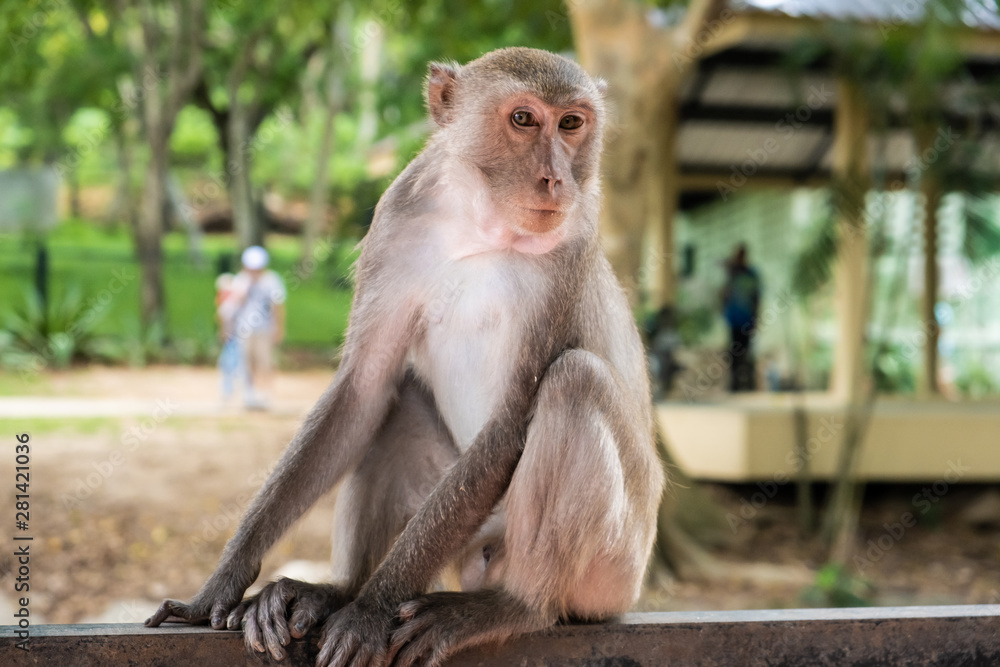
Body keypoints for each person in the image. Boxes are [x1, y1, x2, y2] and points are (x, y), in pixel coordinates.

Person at [229, 246, 286, 410]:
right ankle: (249, 394)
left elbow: (278, 306)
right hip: (244, 329)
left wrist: (278, 328)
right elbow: (233, 306)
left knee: (265, 361)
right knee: (247, 361)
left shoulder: (272, 281)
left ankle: (266, 394)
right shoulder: (241, 280)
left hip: (264, 329)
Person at [721, 243, 761, 392]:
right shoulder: (733, 274)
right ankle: (735, 383)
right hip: (734, 319)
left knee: (746, 351)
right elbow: (725, 294)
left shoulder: (752, 274)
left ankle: (747, 383)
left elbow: (756, 297)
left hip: (747, 319)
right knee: (733, 351)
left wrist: (756, 317)